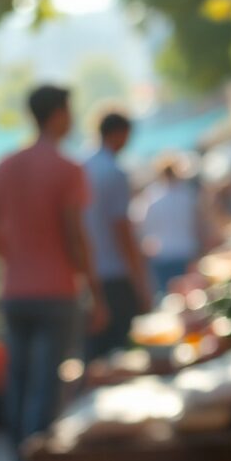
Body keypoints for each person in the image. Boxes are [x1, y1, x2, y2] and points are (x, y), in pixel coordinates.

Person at [0, 85, 107, 461]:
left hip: (15, 292)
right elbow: (75, 236)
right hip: (56, 292)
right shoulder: (67, 168)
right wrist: (93, 289)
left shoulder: (6, 165)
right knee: (46, 388)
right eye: (69, 112)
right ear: (56, 115)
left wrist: (15, 259)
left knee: (18, 384)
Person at [82, 111, 151, 360]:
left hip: (87, 274)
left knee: (94, 353)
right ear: (119, 133)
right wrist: (141, 280)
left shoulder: (82, 167)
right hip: (114, 274)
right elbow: (121, 229)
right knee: (119, 352)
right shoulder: (113, 172)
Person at [133, 152, 203, 296]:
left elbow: (140, 225)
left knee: (168, 297)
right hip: (186, 250)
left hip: (162, 253)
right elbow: (198, 224)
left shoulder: (151, 197)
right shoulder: (187, 195)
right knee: (190, 295)